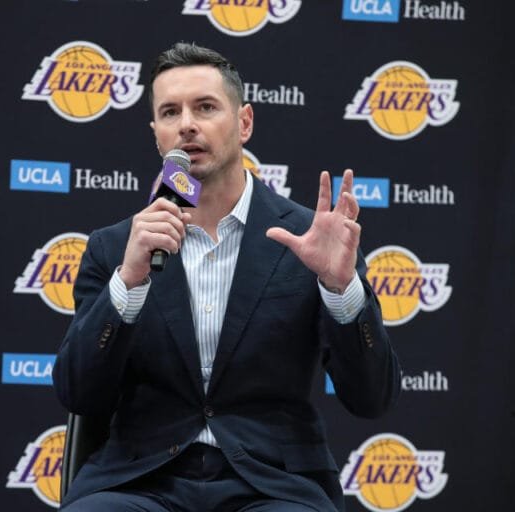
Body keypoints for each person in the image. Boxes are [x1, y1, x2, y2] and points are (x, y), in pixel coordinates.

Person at [53, 42, 400, 512]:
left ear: (245, 123)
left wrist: (342, 291)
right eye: (170, 112)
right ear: (156, 133)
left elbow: (372, 398)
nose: (187, 124)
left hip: (271, 485)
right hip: (142, 483)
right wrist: (128, 284)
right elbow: (78, 392)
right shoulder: (117, 248)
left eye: (206, 107)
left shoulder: (309, 240)